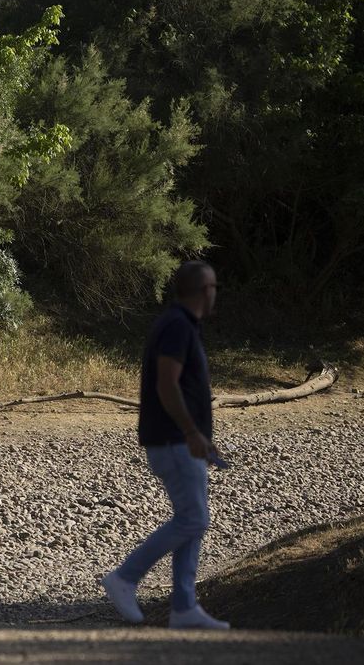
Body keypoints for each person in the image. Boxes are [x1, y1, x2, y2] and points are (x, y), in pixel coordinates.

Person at [101, 261, 231, 630]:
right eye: (214, 287)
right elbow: (167, 385)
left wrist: (202, 439)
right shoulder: (176, 326)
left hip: (184, 441)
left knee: (192, 521)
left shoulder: (181, 325)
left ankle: (184, 607)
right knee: (194, 519)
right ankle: (125, 577)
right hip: (174, 440)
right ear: (205, 291)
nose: (215, 293)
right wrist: (191, 433)